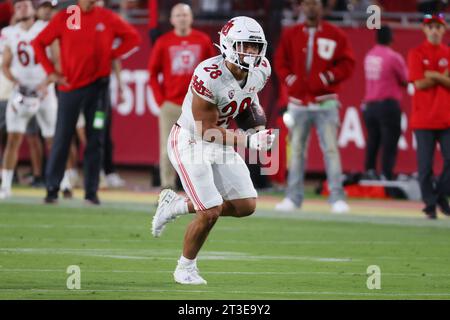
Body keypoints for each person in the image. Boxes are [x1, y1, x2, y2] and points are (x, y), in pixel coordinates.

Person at [151, 16, 275, 285]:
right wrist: (248, 142)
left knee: (246, 205)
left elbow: (245, 106)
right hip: (191, 140)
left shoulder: (261, 69)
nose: (251, 52)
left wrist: (256, 131)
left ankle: (177, 205)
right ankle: (184, 268)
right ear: (229, 45)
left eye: (255, 47)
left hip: (220, 139)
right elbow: (205, 128)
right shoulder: (209, 74)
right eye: (245, 45)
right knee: (210, 211)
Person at [32, 0, 140, 205]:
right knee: (62, 138)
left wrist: (112, 54)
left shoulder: (107, 17)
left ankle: (91, 192)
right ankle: (52, 189)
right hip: (69, 89)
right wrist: (51, 72)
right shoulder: (65, 16)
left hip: (98, 91)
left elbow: (133, 38)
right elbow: (38, 43)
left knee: (96, 139)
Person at [274, 0, 355, 213]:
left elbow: (348, 63)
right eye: (307, 3)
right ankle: (293, 198)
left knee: (330, 150)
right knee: (298, 151)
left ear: (322, 8)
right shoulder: (291, 33)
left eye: (315, 3)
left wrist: (328, 76)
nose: (310, 7)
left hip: (325, 102)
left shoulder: (335, 33)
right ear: (301, 7)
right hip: (299, 103)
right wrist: (290, 80)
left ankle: (337, 197)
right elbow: (280, 61)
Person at [148, 3, 216, 190]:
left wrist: (208, 100)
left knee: (199, 147)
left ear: (191, 18)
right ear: (171, 20)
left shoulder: (202, 40)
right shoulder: (163, 42)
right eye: (178, 15)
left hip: (197, 104)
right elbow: (152, 73)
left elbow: (213, 71)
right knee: (167, 148)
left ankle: (199, 189)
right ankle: (167, 188)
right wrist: (160, 101)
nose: (182, 18)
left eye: (185, 15)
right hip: (171, 104)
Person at [0, 0, 57, 199]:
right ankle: (5, 186)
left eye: (25, 4)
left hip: (45, 91)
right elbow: (5, 65)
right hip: (21, 92)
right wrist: (16, 83)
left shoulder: (47, 28)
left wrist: (47, 82)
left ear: (34, 8)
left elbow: (58, 61)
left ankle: (63, 182)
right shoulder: (9, 33)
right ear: (14, 11)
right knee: (13, 138)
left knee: (53, 138)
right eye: (18, 6)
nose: (22, 8)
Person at [407, 13, 450, 219]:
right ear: (424, 30)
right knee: (425, 167)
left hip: (446, 118)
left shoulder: (448, 53)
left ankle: (441, 195)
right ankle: (430, 204)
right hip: (423, 119)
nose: (434, 30)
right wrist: (442, 77)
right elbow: (419, 83)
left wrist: (431, 74)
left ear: (444, 30)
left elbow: (427, 79)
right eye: (430, 26)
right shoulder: (416, 53)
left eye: (438, 26)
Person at [362, 25, 407, 180]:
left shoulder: (369, 55)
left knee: (373, 140)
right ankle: (387, 175)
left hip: (369, 106)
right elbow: (405, 80)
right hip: (387, 105)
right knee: (390, 141)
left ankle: (370, 172)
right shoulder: (393, 57)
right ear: (391, 38)